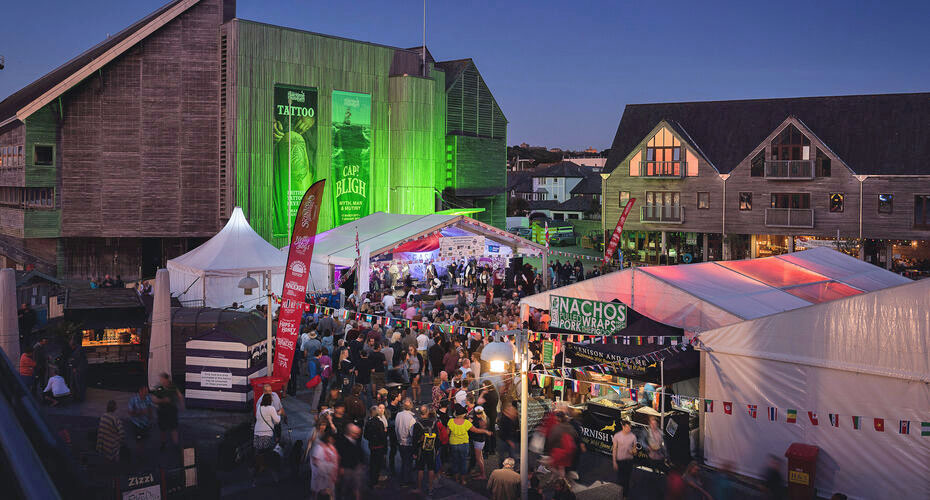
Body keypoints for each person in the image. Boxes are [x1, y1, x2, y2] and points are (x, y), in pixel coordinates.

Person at [151, 373, 183, 450]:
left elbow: (180, 395)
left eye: (162, 379)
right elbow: (153, 399)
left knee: (174, 428)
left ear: (166, 379)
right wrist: (162, 400)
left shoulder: (173, 386)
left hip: (172, 410)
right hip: (162, 411)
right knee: (162, 429)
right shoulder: (159, 388)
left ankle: (176, 444)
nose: (161, 381)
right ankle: (163, 444)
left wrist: (181, 404)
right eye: (161, 379)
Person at [254, 393, 282, 479]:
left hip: (257, 432)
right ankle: (266, 468)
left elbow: (257, 417)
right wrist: (279, 414)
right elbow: (277, 421)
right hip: (267, 433)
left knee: (259, 452)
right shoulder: (271, 408)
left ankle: (258, 468)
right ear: (270, 400)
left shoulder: (259, 407)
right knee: (267, 454)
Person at [413, 405, 439, 495]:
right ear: (428, 412)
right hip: (431, 449)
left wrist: (414, 452)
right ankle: (430, 488)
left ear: (420, 413)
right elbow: (437, 437)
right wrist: (437, 448)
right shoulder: (433, 423)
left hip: (421, 449)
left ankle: (419, 488)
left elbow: (414, 440)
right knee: (431, 468)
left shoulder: (417, 424)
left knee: (420, 468)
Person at [336, 423, 364, 500]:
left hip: (356, 467)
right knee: (344, 488)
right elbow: (339, 455)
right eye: (356, 433)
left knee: (356, 487)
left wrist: (361, 463)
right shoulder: (341, 442)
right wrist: (340, 468)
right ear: (350, 433)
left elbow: (360, 452)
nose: (358, 435)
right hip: (346, 469)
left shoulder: (355, 440)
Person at [363, 405, 388, 488]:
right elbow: (383, 436)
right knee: (377, 465)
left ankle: (372, 480)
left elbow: (365, 435)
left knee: (372, 462)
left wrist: (371, 439)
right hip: (379, 446)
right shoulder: (380, 423)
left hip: (372, 445)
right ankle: (375, 481)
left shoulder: (368, 423)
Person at [395, 398, 418, 485]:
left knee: (404, 461)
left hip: (400, 442)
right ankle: (406, 480)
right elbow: (412, 434)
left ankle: (404, 477)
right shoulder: (411, 419)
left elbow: (396, 428)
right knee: (408, 462)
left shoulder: (398, 415)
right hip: (408, 443)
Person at [612, 421, 637, 499]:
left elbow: (635, 450)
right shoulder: (617, 436)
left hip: (629, 461)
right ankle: (620, 494)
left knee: (626, 479)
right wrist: (614, 461)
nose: (629, 429)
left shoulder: (633, 437)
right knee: (620, 479)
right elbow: (614, 449)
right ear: (623, 427)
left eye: (630, 427)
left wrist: (633, 451)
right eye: (627, 427)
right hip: (620, 460)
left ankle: (625, 496)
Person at [310, 432, 338, 499]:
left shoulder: (332, 448)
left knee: (330, 494)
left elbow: (335, 461)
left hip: (330, 477)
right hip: (321, 477)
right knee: (320, 494)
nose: (332, 440)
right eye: (330, 439)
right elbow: (315, 462)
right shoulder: (318, 448)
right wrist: (327, 468)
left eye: (332, 439)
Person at [127, 385, 155, 452]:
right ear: (140, 391)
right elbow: (130, 412)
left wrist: (151, 417)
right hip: (137, 425)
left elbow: (150, 408)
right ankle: (139, 454)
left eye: (147, 392)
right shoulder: (133, 400)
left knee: (145, 440)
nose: (146, 394)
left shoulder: (148, 398)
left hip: (146, 424)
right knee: (139, 441)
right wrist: (141, 412)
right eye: (145, 392)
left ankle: (142, 452)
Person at [471, 406, 490, 479]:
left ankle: (483, 475)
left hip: (478, 440)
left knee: (478, 458)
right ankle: (482, 472)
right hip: (482, 440)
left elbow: (475, 430)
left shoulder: (477, 420)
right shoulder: (485, 418)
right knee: (480, 457)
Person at [67, 336, 88, 402]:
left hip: (78, 370)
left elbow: (78, 360)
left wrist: (75, 368)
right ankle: (78, 396)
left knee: (78, 384)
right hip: (79, 369)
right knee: (78, 383)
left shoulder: (78, 351)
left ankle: (79, 397)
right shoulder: (79, 349)